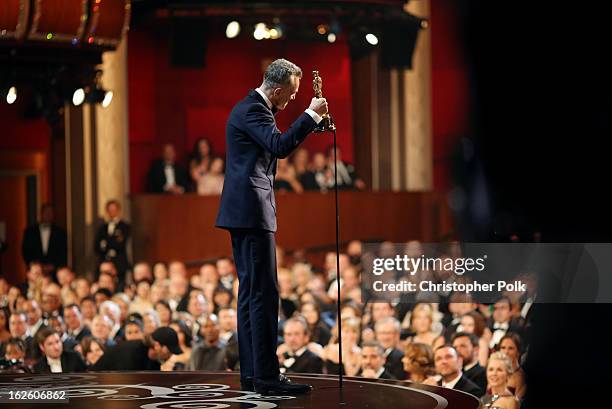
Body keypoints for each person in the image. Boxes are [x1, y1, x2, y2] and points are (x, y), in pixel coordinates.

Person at [215, 58, 327, 395]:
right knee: (263, 294)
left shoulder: (254, 108)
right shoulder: (253, 111)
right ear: (276, 90)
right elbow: (279, 146)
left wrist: (310, 119)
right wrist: (311, 115)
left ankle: (253, 375)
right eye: (291, 95)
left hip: (245, 212)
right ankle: (265, 377)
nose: (292, 100)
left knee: (252, 295)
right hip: (251, 212)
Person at [91, 326, 182, 371]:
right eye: (169, 351)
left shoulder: (154, 361)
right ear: (157, 345)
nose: (171, 355)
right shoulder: (132, 352)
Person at [21, 204, 67, 278]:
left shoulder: (60, 232)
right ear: (41, 214)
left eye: (50, 213)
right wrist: (36, 266)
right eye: (46, 212)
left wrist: (53, 265)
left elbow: (63, 251)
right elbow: (26, 251)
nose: (48, 215)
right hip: (35, 272)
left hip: (54, 273)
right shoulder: (30, 232)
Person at [94, 200, 131, 284]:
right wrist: (113, 241)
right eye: (110, 210)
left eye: (114, 210)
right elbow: (96, 246)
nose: (112, 212)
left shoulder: (124, 226)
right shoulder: (102, 228)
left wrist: (106, 243)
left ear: (118, 210)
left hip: (119, 263)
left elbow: (120, 245)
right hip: (104, 260)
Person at [452, 332, 487, 396]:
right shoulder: (453, 372)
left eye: (463, 346)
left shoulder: (483, 373)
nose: (457, 350)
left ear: (476, 349)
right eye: (455, 347)